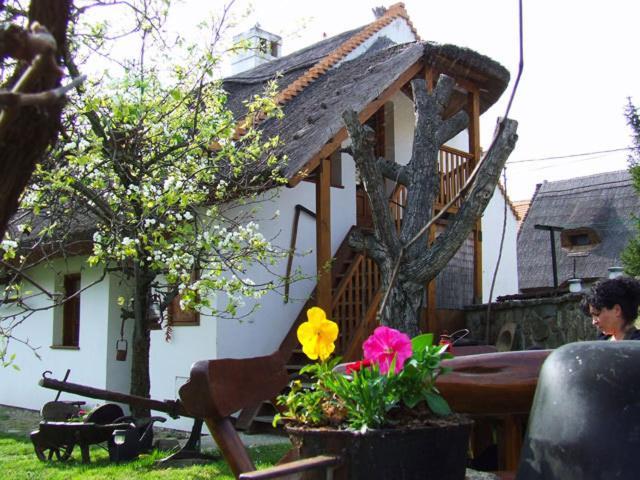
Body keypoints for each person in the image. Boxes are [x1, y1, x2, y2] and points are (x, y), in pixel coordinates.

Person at [581, 276, 640, 341]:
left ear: (617, 310)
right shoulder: (601, 341)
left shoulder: (636, 344)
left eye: (597, 314)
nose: (594, 322)